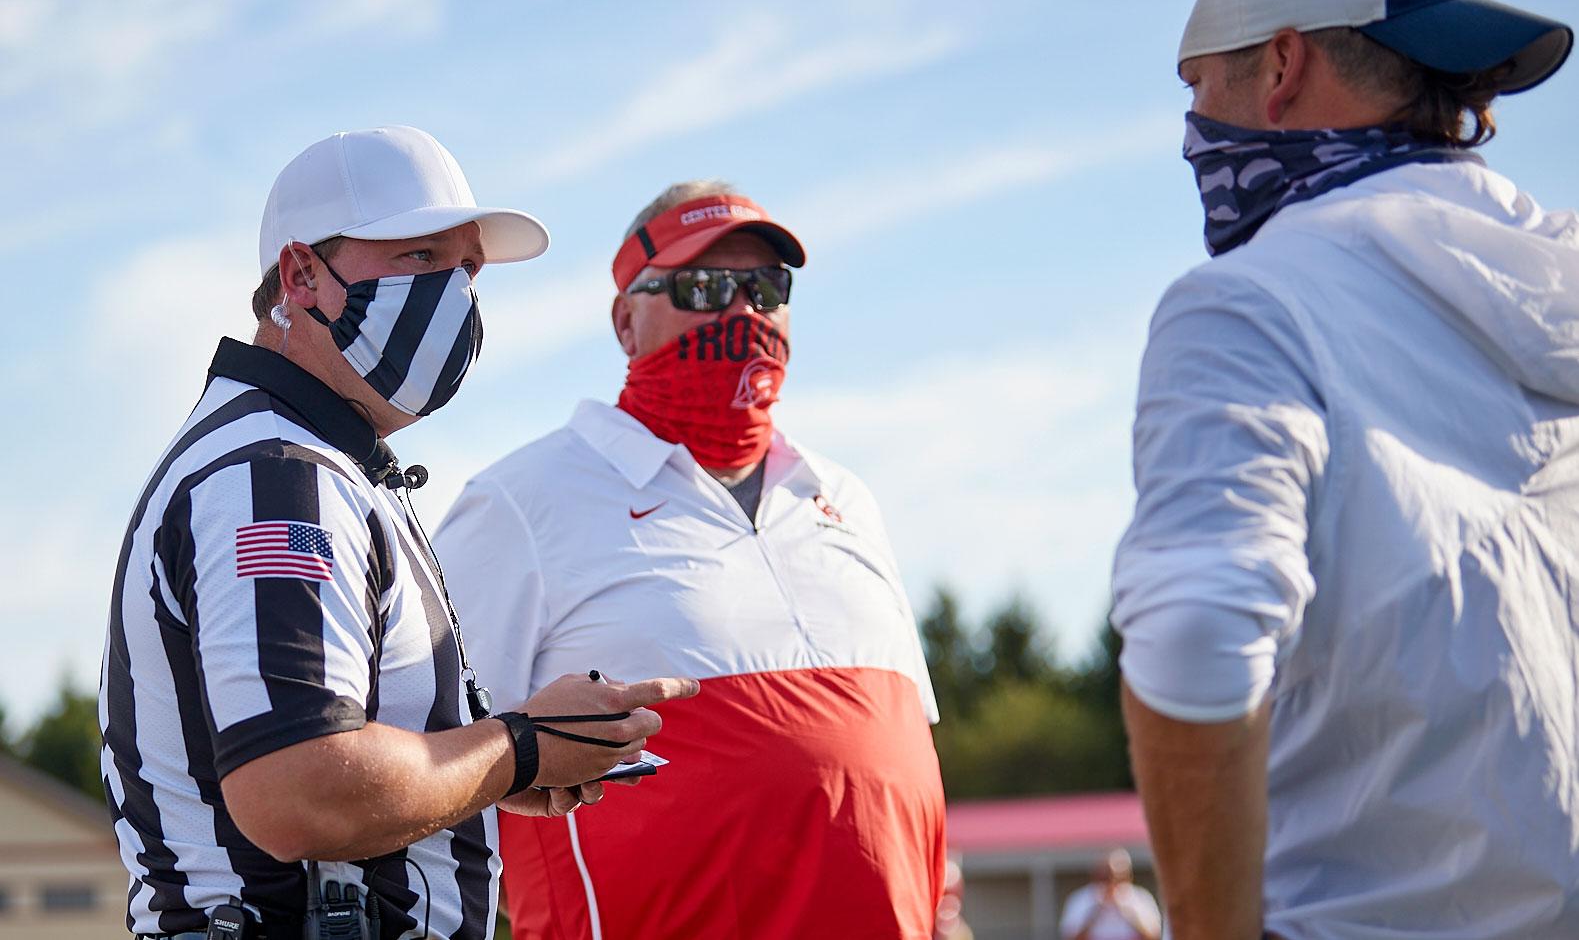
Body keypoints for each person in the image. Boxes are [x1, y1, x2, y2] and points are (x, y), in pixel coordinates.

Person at [99, 126, 699, 940]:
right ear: (301, 274)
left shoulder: (312, 464)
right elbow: (296, 788)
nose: (453, 296)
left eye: (467, 269)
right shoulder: (276, 475)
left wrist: (486, 771)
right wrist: (519, 747)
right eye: (419, 259)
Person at [1111, 0, 1577, 940]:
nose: (1193, 127)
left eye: (1199, 85)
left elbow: (1194, 635)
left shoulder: (1247, 305)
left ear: (1278, 66)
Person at [433, 181, 946, 939]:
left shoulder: (846, 498)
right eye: (702, 286)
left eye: (764, 287)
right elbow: (424, 775)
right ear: (625, 322)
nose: (740, 313)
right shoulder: (518, 502)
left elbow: (901, 763)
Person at [1058, 850, 1160, 940]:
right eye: (1105, 877)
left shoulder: (1141, 898)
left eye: (1118, 877)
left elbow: (1154, 936)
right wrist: (1096, 913)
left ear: (1128, 876)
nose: (1111, 883)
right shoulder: (1081, 899)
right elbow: (1070, 937)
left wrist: (1127, 912)